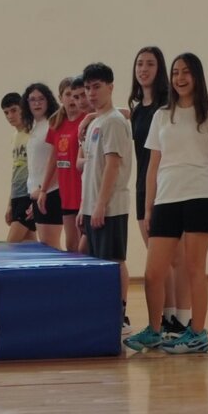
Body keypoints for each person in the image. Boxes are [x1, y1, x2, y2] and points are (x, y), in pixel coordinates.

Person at [124, 52, 208, 354]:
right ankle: (154, 330)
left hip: (201, 198)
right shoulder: (161, 115)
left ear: (196, 76)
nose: (180, 78)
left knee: (195, 268)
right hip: (166, 200)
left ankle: (197, 333)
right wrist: (148, 207)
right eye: (175, 73)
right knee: (153, 273)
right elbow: (153, 166)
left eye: (186, 72)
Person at [128, 46, 189, 335]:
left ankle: (181, 319)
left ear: (160, 69)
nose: (144, 69)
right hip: (143, 188)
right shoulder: (138, 110)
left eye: (150, 64)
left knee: (175, 258)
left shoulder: (168, 107)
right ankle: (166, 316)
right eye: (140, 63)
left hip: (168, 190)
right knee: (157, 261)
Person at [76, 63, 133, 333]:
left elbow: (112, 165)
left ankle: (120, 315)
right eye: (88, 88)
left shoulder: (114, 122)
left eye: (96, 87)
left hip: (110, 207)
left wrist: (100, 205)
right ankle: (99, 312)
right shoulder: (95, 122)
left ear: (110, 87)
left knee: (113, 261)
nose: (91, 93)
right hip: (91, 206)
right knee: (86, 256)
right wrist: (84, 207)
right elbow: (90, 169)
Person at [38, 76, 85, 251]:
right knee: (71, 245)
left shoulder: (87, 120)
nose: (72, 99)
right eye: (68, 95)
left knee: (84, 245)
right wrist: (43, 189)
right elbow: (53, 158)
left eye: (76, 96)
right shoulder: (56, 124)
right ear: (60, 98)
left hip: (83, 190)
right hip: (67, 192)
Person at [21, 82, 62, 248]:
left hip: (50, 191)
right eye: (32, 99)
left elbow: (58, 159)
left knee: (51, 246)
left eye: (41, 99)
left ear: (48, 100)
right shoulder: (34, 127)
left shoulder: (52, 124)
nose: (37, 103)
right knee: (45, 245)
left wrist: (44, 189)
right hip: (37, 193)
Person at [0, 92, 36, 242]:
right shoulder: (15, 136)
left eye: (14, 110)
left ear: (23, 108)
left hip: (28, 195)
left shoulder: (33, 134)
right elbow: (16, 171)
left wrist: (35, 200)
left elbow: (40, 168)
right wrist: (10, 204)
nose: (10, 116)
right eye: (6, 113)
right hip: (17, 195)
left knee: (11, 245)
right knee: (30, 247)